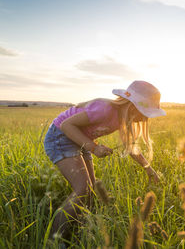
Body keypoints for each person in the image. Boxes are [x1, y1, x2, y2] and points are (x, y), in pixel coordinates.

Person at [43, 80, 166, 239]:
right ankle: (53, 238)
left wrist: (149, 169)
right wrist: (94, 148)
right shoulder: (105, 110)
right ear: (134, 106)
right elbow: (67, 125)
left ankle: (80, 230)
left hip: (81, 139)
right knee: (83, 190)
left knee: (90, 190)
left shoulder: (123, 118)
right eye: (145, 113)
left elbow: (131, 147)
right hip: (60, 137)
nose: (145, 119)